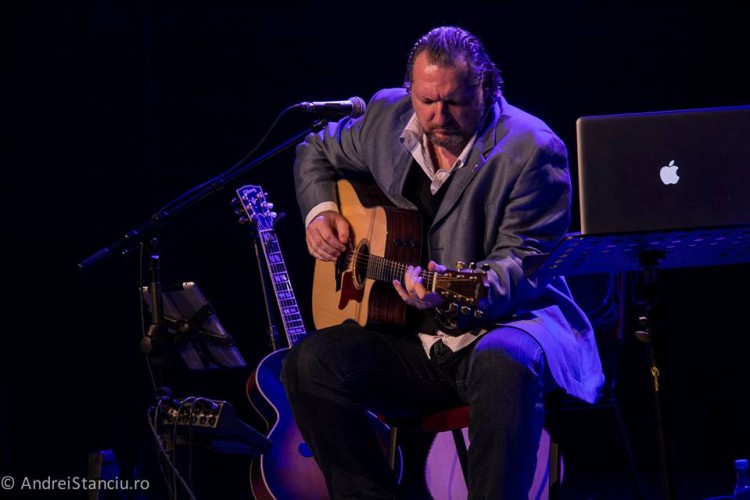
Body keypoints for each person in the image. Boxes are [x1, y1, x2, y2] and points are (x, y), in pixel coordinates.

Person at [281, 25, 604, 499]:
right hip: (414, 339)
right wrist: (321, 212)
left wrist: (450, 294)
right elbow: (315, 149)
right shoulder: (386, 115)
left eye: (454, 101)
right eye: (427, 100)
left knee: (505, 359)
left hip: (503, 327)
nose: (438, 116)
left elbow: (522, 264)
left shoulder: (531, 149)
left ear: (485, 86)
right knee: (310, 363)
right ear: (410, 89)